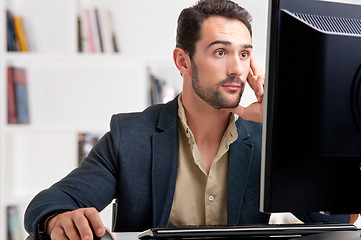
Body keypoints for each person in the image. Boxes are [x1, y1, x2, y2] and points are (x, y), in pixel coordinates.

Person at [24, 0, 356, 239]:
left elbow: (339, 221)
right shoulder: (132, 136)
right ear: (183, 61)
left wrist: (284, 127)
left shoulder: (265, 137)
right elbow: (49, 204)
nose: (237, 69)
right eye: (220, 52)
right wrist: (57, 220)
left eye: (244, 53)